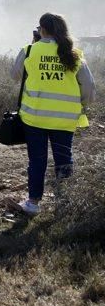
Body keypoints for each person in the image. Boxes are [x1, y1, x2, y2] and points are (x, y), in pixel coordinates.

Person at [10, 12, 96, 216]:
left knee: (37, 160)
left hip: (35, 117)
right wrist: (79, 103)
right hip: (65, 120)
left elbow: (15, 75)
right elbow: (89, 89)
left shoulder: (30, 50)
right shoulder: (74, 54)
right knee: (64, 160)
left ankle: (33, 203)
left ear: (42, 29)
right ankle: (64, 204)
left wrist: (34, 47)